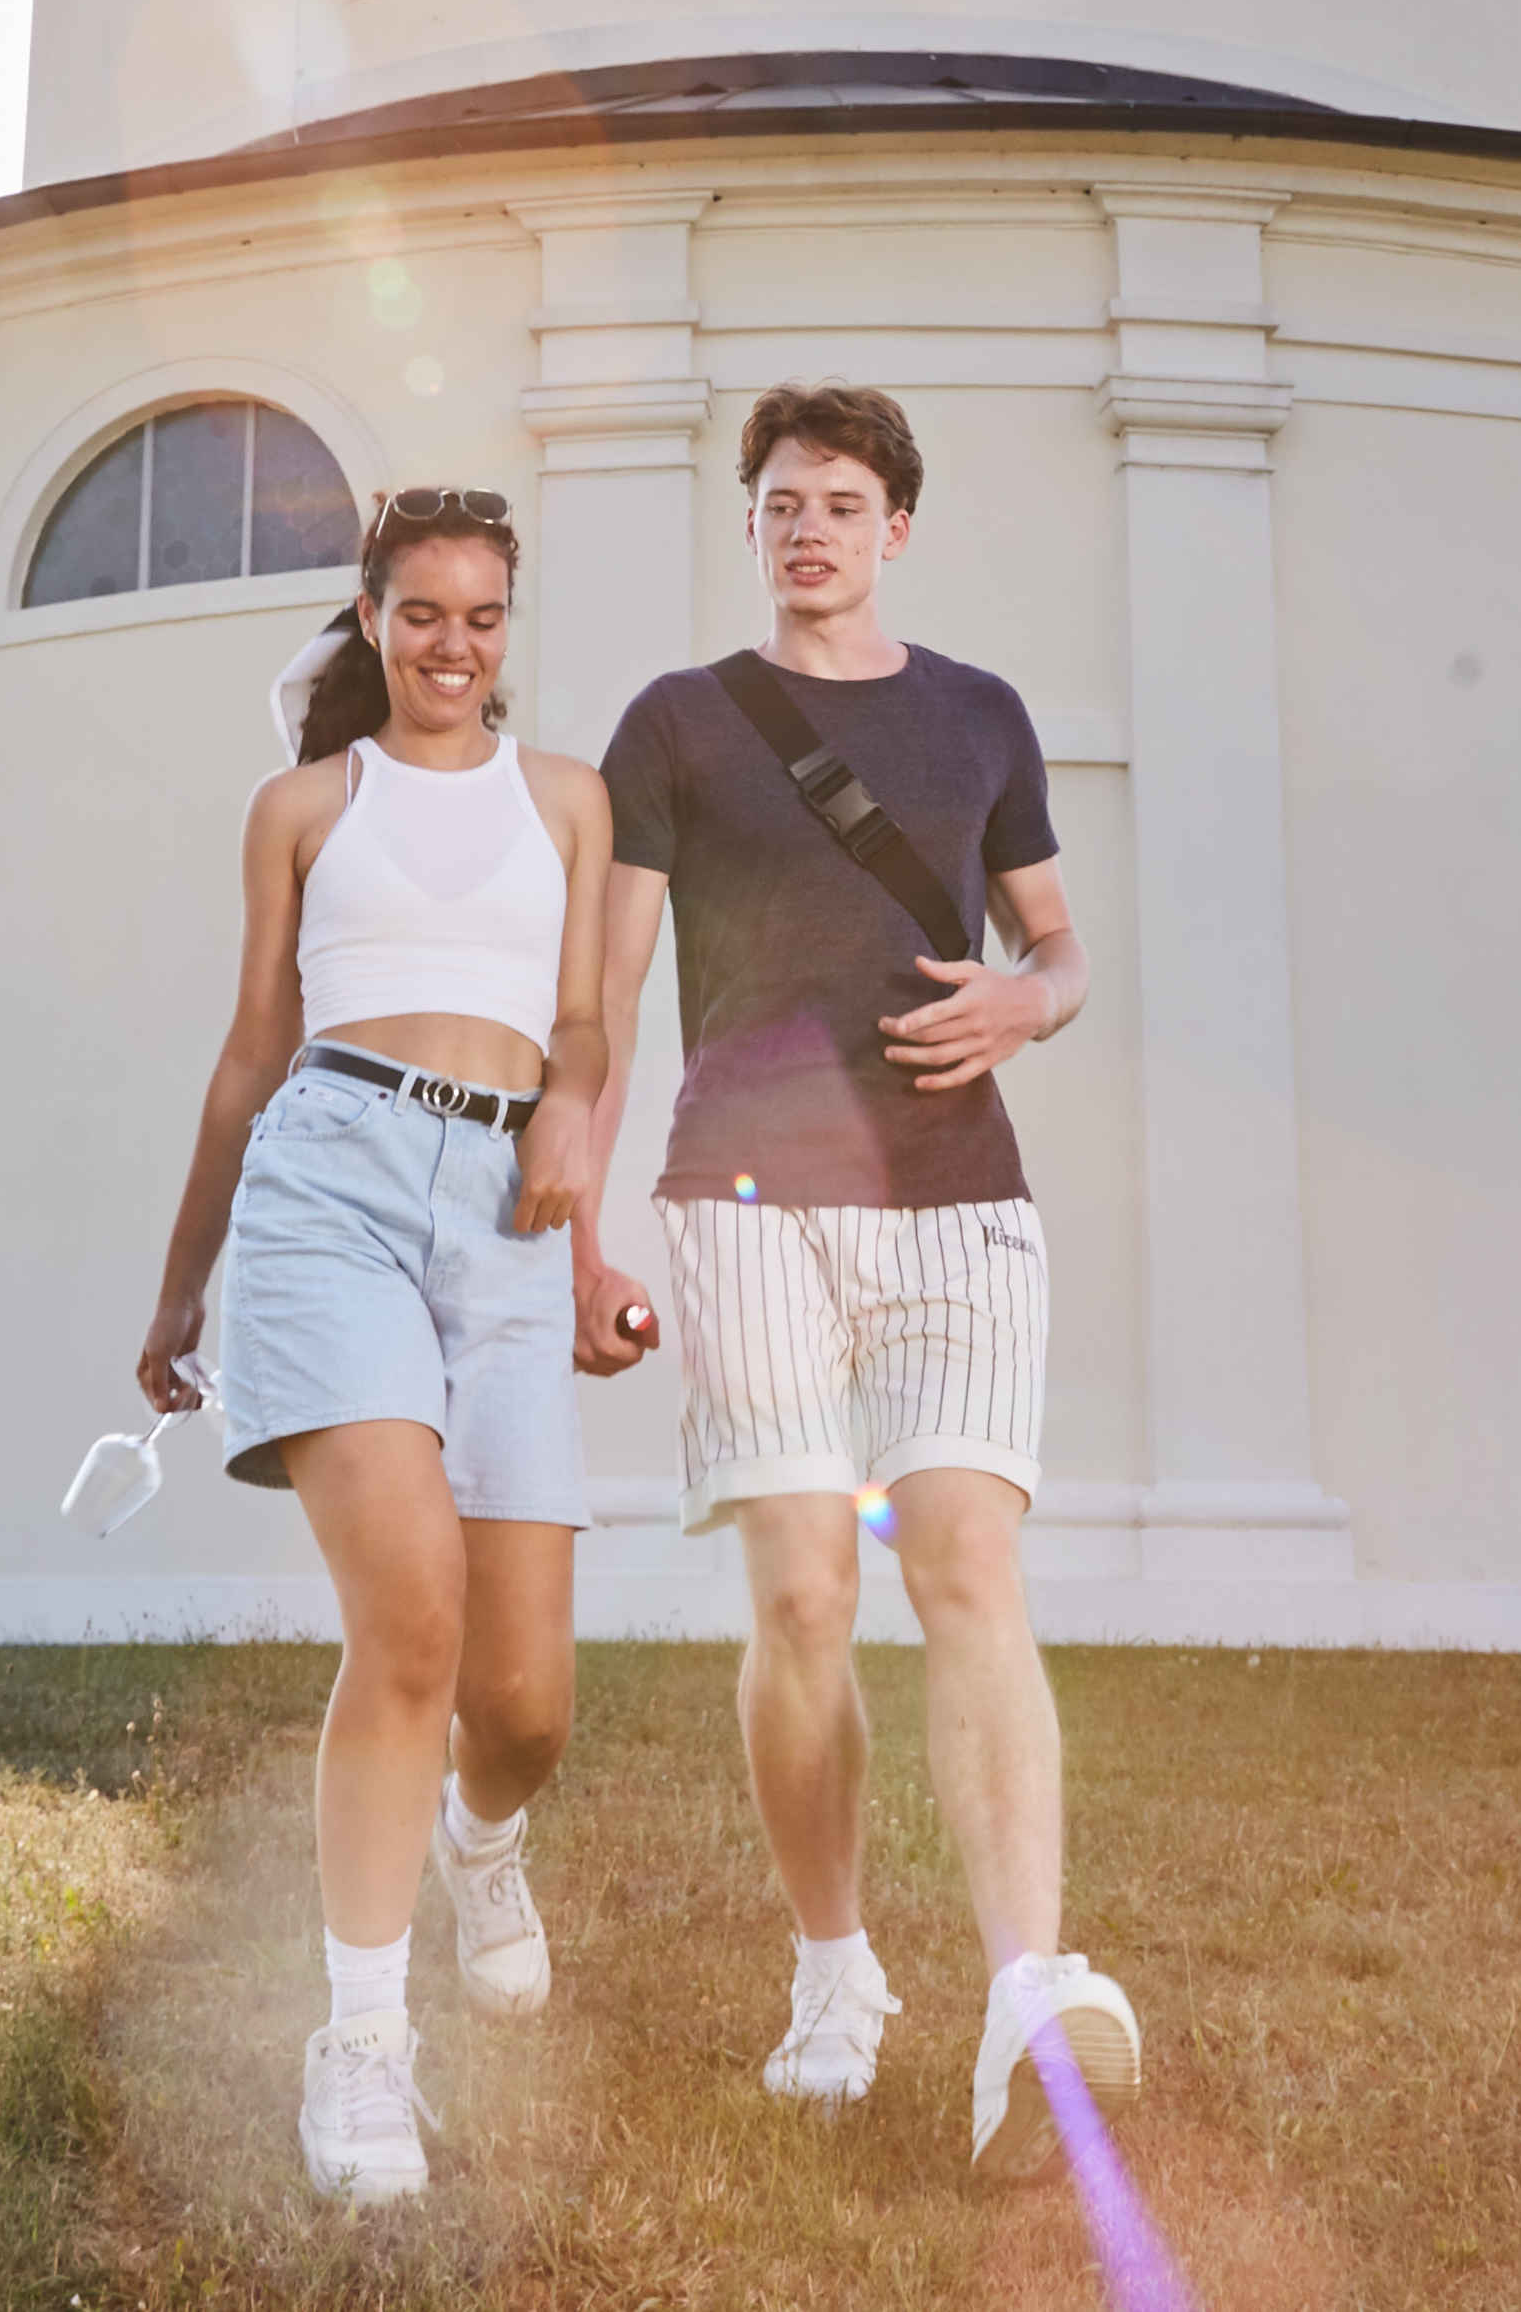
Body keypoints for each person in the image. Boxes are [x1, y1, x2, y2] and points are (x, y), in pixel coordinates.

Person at [563, 381, 1136, 2165]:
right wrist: (577, 1219)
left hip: (958, 1195)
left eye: (837, 500)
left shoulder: (980, 719)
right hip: (743, 1199)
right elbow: (600, 998)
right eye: (777, 503)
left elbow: (1059, 947)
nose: (804, 526)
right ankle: (836, 1966)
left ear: (896, 527)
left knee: (966, 1560)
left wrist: (1030, 1001)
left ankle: (1025, 1989)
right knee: (806, 1595)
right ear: (752, 530)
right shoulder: (673, 724)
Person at [131, 484, 639, 2208]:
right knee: (408, 1620)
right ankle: (359, 2047)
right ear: (368, 616)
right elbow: (248, 1047)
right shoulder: (299, 808)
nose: (452, 645)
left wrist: (576, 1145)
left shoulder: (563, 801)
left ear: (510, 628)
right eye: (421, 612)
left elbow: (580, 1022)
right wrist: (182, 1282)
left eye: (483, 617)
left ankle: (478, 1842)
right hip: (325, 1186)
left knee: (525, 1707)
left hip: (503, 1212)